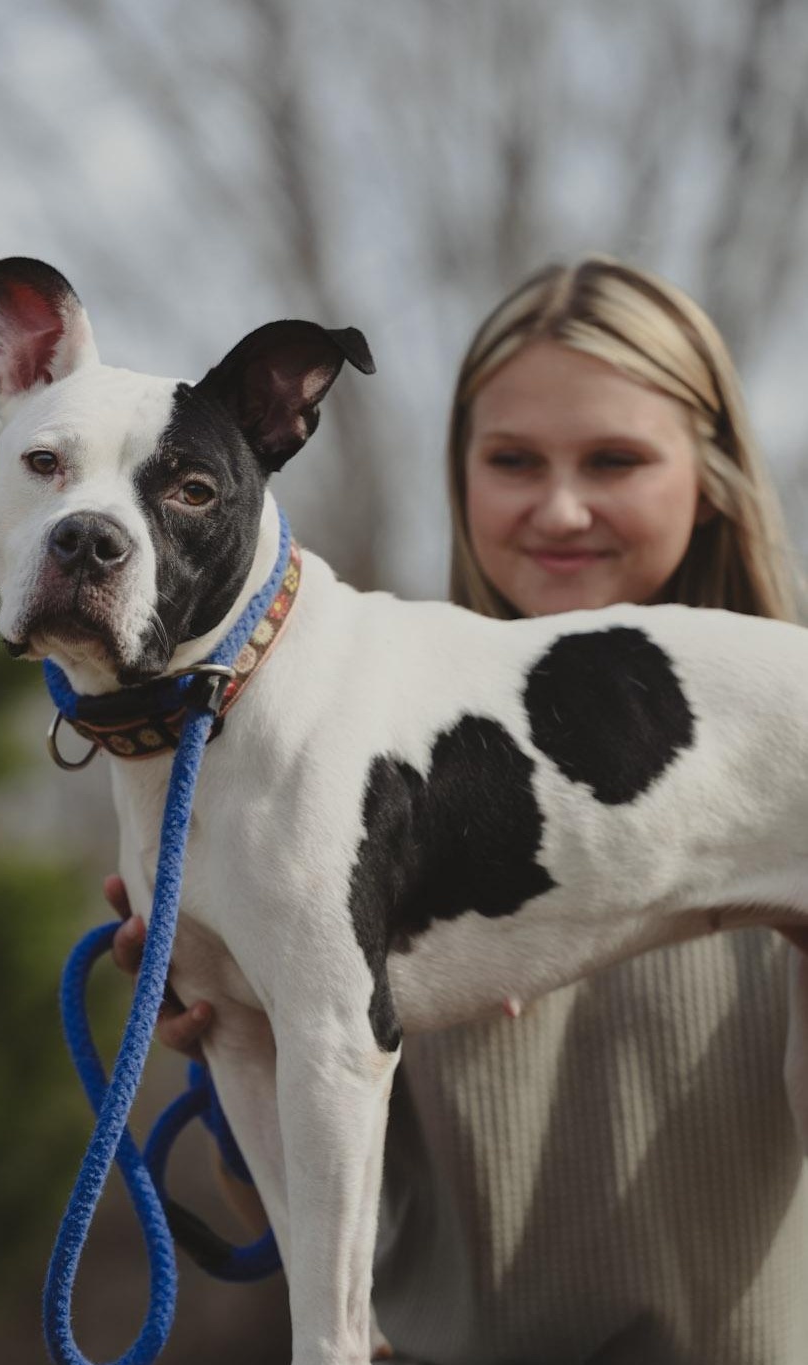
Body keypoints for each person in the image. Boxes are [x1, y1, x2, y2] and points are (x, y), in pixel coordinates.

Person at [110, 256, 808, 1364]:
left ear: (717, 474)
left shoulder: (782, 731)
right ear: (460, 474)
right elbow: (353, 1234)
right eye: (514, 460)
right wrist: (230, 1025)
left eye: (615, 459)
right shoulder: (345, 750)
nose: (561, 506)